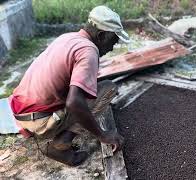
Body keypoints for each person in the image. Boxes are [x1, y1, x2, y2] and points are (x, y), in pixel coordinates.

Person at [9, 6, 129, 166]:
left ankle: (47, 127)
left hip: (21, 113)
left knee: (87, 91)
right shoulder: (89, 51)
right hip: (38, 121)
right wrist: (102, 135)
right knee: (108, 89)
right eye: (113, 41)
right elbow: (74, 102)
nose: (112, 47)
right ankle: (60, 146)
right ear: (101, 35)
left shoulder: (69, 38)